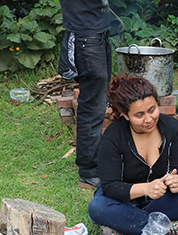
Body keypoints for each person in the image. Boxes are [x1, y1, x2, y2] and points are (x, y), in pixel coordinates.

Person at [88, 75, 178, 235]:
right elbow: (111, 187)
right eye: (139, 115)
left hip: (160, 199)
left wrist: (177, 180)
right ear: (125, 115)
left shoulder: (173, 128)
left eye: (152, 110)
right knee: (97, 207)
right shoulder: (113, 136)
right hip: (124, 200)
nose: (148, 119)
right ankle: (167, 227)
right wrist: (146, 188)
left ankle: (125, 226)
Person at [58, 0, 113, 190]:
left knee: (98, 104)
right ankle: (88, 172)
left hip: (96, 35)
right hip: (86, 39)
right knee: (92, 107)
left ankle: (94, 164)